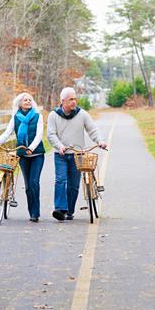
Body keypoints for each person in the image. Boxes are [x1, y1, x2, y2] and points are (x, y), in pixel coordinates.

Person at [47, 87, 107, 221]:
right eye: (70, 99)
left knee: (73, 185)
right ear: (63, 101)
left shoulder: (82, 114)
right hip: (61, 154)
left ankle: (70, 210)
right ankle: (60, 209)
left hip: (78, 155)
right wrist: (60, 146)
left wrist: (100, 141)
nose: (74, 102)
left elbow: (93, 129)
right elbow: (51, 135)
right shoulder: (53, 115)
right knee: (60, 180)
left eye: (75, 99)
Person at [0, 92, 45, 222]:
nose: (28, 102)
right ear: (19, 103)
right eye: (25, 100)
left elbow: (39, 135)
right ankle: (32, 213)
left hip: (37, 155)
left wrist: (31, 147)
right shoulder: (16, 118)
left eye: (30, 100)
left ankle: (35, 213)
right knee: (28, 185)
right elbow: (7, 133)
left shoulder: (38, 116)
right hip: (23, 155)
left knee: (34, 182)